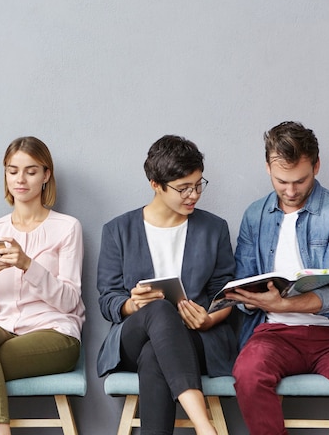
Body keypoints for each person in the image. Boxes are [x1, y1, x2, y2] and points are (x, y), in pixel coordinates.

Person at [230, 121, 329, 435]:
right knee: (248, 373)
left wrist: (284, 300)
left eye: (300, 180)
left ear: (316, 166)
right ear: (267, 168)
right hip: (274, 333)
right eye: (282, 181)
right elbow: (244, 280)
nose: (291, 191)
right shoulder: (254, 216)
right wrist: (248, 300)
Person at [97, 135, 237, 435]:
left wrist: (210, 317)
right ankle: (204, 426)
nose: (193, 195)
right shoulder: (118, 231)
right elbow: (107, 298)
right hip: (134, 335)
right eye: (183, 188)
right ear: (155, 185)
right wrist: (132, 304)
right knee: (159, 310)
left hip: (197, 339)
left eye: (198, 184)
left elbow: (226, 293)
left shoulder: (214, 228)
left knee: (154, 356)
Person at [0, 136, 85, 435]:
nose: (20, 179)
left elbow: (70, 301)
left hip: (56, 334)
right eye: (12, 170)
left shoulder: (67, 228)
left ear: (46, 175)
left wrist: (27, 265)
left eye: (31, 171)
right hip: (4, 330)